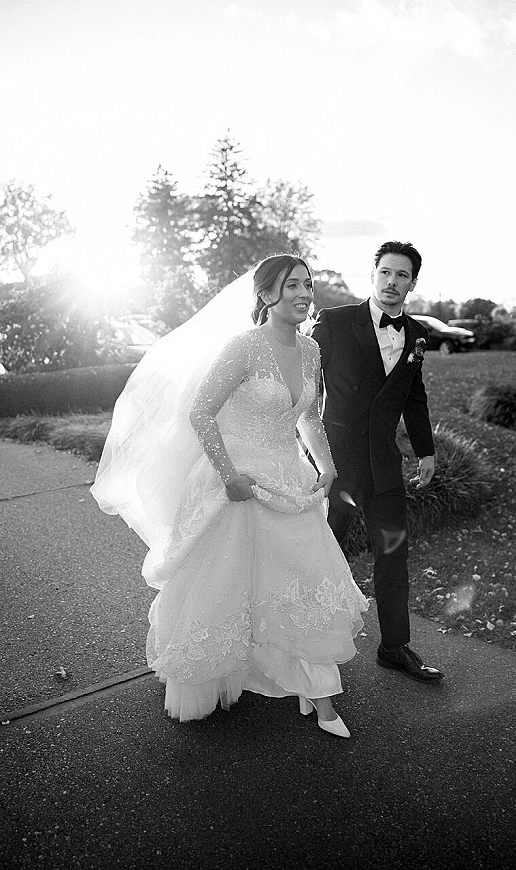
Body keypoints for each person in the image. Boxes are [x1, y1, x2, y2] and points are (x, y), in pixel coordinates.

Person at [91, 254, 368, 737]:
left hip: (289, 479)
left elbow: (308, 416)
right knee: (227, 584)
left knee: (304, 580)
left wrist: (327, 466)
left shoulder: (310, 352)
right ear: (265, 295)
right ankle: (222, 679)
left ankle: (314, 689)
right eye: (292, 286)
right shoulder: (242, 348)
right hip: (238, 482)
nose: (305, 294)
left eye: (308, 285)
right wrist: (228, 476)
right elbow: (201, 413)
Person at [311, 241, 444, 683]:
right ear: (373, 275)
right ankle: (303, 645)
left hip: (385, 466)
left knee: (393, 555)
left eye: (402, 275)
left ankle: (393, 647)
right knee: (320, 553)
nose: (392, 282)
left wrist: (425, 450)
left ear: (412, 283)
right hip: (336, 465)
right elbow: (302, 387)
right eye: (386, 272)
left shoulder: (417, 334)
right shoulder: (333, 323)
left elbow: (414, 395)